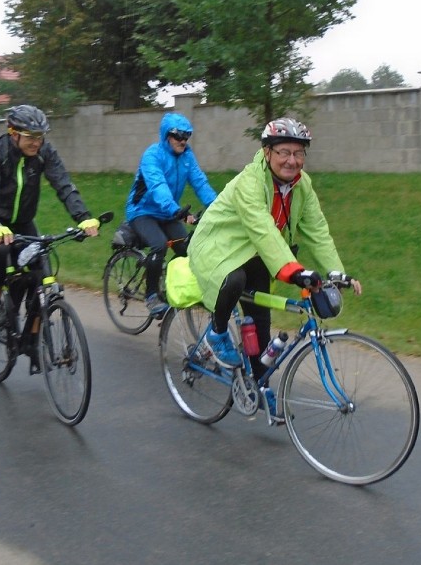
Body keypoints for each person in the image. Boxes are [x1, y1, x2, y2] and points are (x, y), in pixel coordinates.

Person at [187, 117, 362, 389]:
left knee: (261, 323)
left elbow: (317, 230)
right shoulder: (250, 182)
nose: (292, 160)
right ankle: (217, 332)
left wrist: (336, 272)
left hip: (254, 253)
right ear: (267, 153)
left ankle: (259, 387)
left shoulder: (302, 185)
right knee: (233, 280)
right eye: (284, 152)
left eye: (299, 153)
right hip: (216, 248)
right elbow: (263, 229)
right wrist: (294, 271)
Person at [0, 104, 99, 374]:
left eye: (41, 136)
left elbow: (63, 183)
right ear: (13, 134)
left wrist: (83, 217)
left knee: (41, 271)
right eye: (31, 137)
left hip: (23, 222)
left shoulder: (44, 153)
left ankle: (31, 339)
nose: (37, 142)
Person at [125, 112, 217, 316]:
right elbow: (157, 186)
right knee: (159, 244)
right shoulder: (152, 155)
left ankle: (175, 289)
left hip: (168, 213)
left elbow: (200, 183)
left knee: (188, 249)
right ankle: (151, 296)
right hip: (142, 210)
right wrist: (175, 210)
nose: (183, 141)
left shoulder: (187, 156)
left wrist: (219, 207)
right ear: (166, 135)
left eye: (187, 136)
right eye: (178, 136)